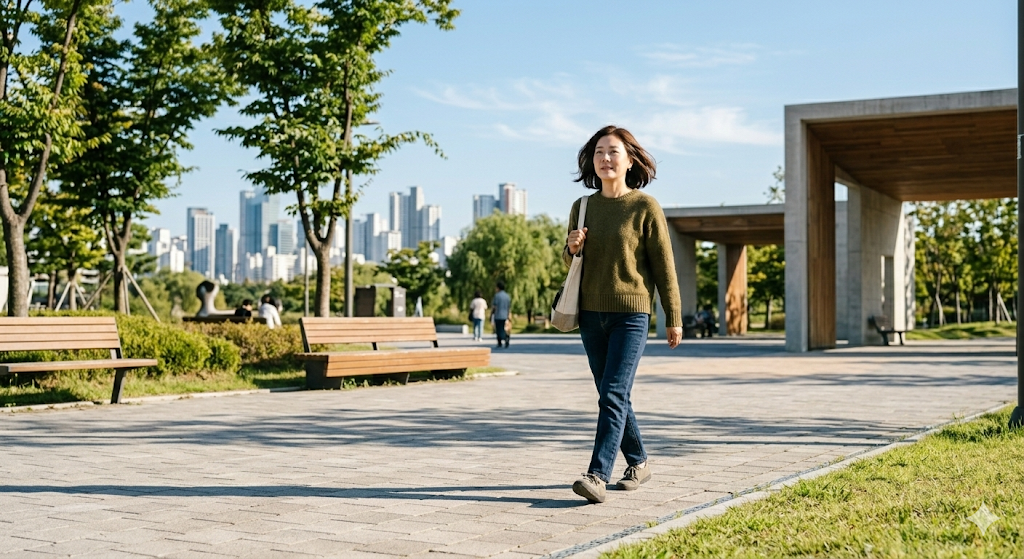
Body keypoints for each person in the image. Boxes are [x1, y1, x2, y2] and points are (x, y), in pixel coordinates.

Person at [564, 125, 682, 504]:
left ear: (630, 160)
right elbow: (571, 262)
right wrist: (571, 248)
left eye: (613, 151)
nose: (605, 158)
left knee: (613, 393)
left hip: (631, 316)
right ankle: (639, 462)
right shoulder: (582, 207)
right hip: (590, 313)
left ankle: (597, 475)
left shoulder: (645, 207)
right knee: (611, 394)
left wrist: (673, 316)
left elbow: (664, 266)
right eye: (599, 152)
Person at [491, 281, 511, 348]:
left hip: (498, 314)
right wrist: (508, 315)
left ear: (498, 288)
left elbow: (494, 306)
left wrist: (492, 314)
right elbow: (508, 307)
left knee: (498, 329)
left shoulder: (497, 296)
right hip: (505, 315)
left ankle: (502, 339)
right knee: (502, 328)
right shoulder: (507, 296)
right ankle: (505, 338)